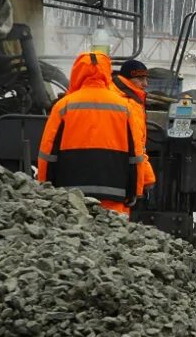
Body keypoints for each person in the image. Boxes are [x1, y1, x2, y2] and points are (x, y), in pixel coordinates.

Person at [37, 51, 145, 215]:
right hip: (114, 194)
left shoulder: (63, 106)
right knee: (114, 237)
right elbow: (136, 154)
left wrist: (44, 188)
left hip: (70, 196)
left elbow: (47, 152)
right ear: (106, 72)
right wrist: (135, 191)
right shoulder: (125, 107)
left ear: (77, 72)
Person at [112, 59, 156, 199]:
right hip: (123, 172)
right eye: (140, 79)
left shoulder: (116, 94)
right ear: (127, 79)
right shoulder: (130, 103)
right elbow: (136, 145)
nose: (145, 84)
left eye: (146, 78)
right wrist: (148, 178)